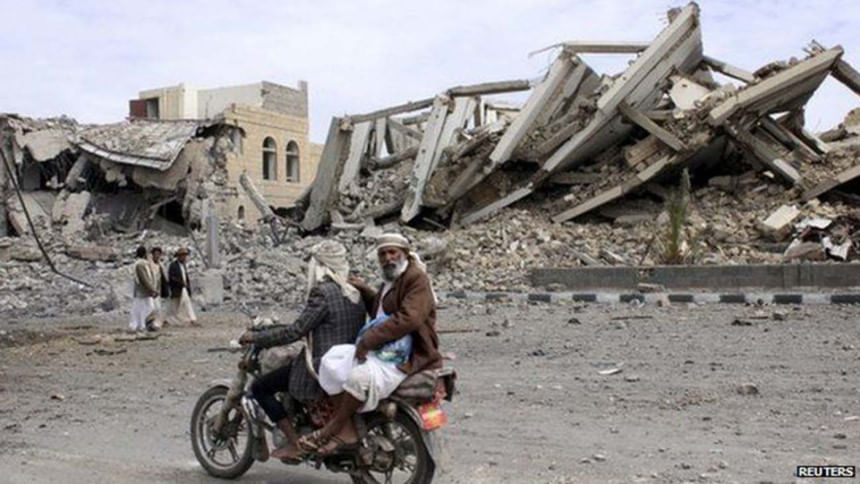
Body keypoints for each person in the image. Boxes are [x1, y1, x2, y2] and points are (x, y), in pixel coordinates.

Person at [300, 233, 442, 455]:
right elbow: (384, 311)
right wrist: (366, 291)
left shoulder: (416, 278)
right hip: (384, 348)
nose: (387, 258)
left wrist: (369, 340)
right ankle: (348, 425)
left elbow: (409, 318)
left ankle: (335, 427)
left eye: (392, 252)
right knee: (331, 361)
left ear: (405, 254)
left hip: (406, 355)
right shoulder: (393, 278)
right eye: (383, 254)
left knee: (359, 378)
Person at [239, 240, 366, 461]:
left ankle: (295, 443)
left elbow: (296, 331)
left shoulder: (323, 293)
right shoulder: (355, 291)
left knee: (260, 387)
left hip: (320, 366)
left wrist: (258, 337)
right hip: (350, 360)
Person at [129, 245, 157, 333]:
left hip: (142, 291)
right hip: (142, 291)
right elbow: (144, 279)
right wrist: (152, 289)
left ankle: (143, 324)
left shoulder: (141, 263)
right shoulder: (140, 265)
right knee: (145, 308)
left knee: (143, 308)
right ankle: (142, 325)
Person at [166, 247, 198, 326]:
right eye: (182, 255)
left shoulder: (183, 266)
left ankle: (192, 319)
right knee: (175, 306)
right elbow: (171, 278)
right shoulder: (173, 265)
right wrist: (180, 283)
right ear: (178, 256)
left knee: (186, 303)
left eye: (185, 256)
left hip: (183, 288)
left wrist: (187, 286)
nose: (184, 257)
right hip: (177, 288)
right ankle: (170, 320)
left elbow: (185, 277)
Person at [146, 247, 169, 330]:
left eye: (159, 254)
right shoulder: (148, 265)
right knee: (152, 308)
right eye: (156, 254)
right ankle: (150, 323)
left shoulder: (160, 265)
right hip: (151, 290)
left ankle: (156, 323)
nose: (157, 256)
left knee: (158, 308)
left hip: (158, 289)